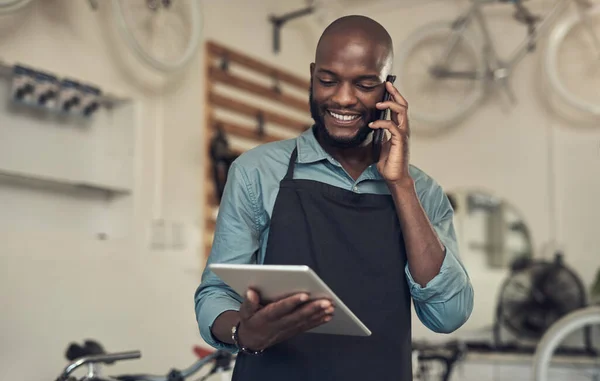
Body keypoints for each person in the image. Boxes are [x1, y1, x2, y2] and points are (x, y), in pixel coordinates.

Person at [194, 14, 474, 381]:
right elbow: (215, 293)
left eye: (364, 84)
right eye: (328, 80)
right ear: (313, 75)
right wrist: (241, 332)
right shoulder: (256, 172)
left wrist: (401, 184)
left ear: (388, 88)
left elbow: (448, 314)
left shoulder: (422, 192)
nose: (343, 98)